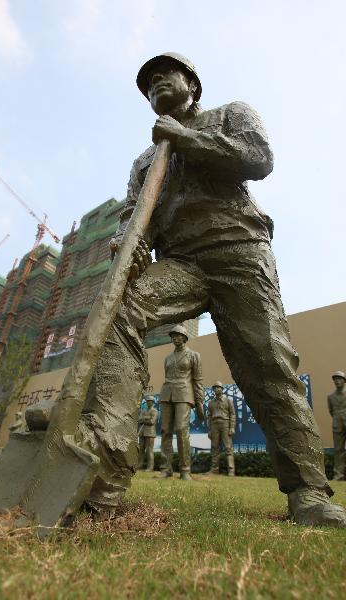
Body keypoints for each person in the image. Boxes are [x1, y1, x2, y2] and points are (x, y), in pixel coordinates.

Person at [78, 51, 346, 526]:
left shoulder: (229, 114)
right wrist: (127, 244)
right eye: (149, 82)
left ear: (193, 85)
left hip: (239, 253)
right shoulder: (144, 162)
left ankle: (309, 493)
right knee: (118, 309)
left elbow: (257, 158)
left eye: (166, 74)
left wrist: (184, 137)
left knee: (269, 366)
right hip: (181, 263)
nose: (157, 82)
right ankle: (105, 479)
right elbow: (132, 219)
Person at [159, 325, 204, 480]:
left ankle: (185, 470)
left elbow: (198, 380)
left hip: (184, 394)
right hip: (166, 394)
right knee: (165, 431)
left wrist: (199, 402)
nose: (175, 338)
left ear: (185, 337)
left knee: (181, 429)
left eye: (178, 335)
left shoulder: (194, 355)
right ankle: (166, 468)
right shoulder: (167, 358)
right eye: (173, 336)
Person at [208, 382, 236, 476]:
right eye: (214, 388)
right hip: (214, 425)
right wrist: (209, 430)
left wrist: (232, 427)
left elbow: (232, 414)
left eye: (218, 387)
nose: (216, 389)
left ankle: (231, 470)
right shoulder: (211, 403)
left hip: (225, 424)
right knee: (214, 448)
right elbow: (209, 417)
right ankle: (214, 470)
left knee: (228, 448)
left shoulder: (228, 401)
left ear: (222, 389)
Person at [327, 371, 346, 481]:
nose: (337, 381)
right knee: (338, 451)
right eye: (335, 379)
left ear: (344, 380)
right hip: (337, 426)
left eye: (340, 379)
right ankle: (339, 475)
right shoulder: (330, 397)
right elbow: (331, 411)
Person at [138, 395, 158, 471]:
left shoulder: (155, 411)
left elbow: (152, 421)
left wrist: (144, 419)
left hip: (150, 433)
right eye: (147, 401)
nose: (148, 402)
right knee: (141, 450)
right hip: (142, 433)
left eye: (150, 401)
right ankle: (139, 465)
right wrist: (146, 418)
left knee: (149, 450)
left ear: (153, 402)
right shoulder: (144, 411)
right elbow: (139, 420)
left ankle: (150, 467)